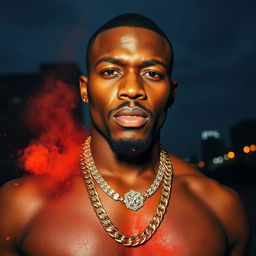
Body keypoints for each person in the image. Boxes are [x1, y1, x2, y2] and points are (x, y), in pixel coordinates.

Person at [0, 13, 250, 255]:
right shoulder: (20, 206)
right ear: (85, 90)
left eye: (152, 73)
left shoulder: (221, 208)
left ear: (171, 94)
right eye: (110, 71)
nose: (132, 89)